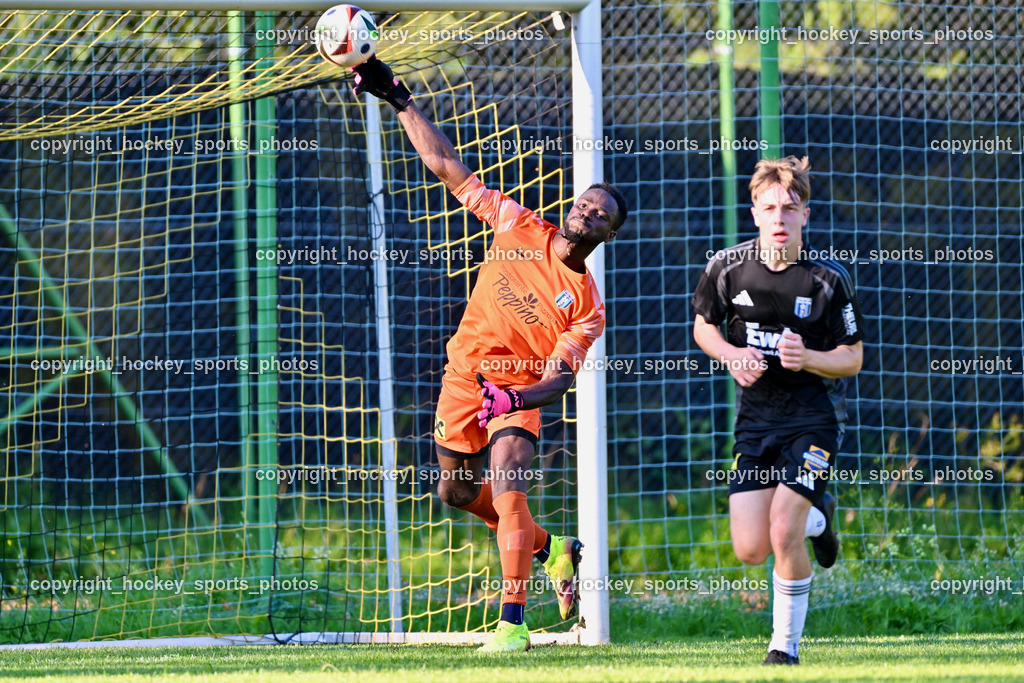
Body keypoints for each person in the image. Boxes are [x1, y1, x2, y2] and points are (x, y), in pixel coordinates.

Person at [352, 56, 628, 653]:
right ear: (573, 205)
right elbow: (447, 168)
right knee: (453, 493)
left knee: (508, 485)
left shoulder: (587, 306)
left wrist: (514, 399)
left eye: (601, 216)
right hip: (463, 377)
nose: (587, 213)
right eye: (585, 204)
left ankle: (512, 624)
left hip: (516, 396)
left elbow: (559, 380)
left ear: (609, 235)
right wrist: (399, 99)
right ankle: (553, 549)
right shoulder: (516, 224)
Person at [691, 156, 864, 665]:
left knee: (783, 528)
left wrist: (808, 357)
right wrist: (731, 355)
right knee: (750, 548)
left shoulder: (828, 279)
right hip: (756, 422)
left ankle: (783, 648)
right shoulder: (726, 268)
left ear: (805, 214)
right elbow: (704, 327)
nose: (780, 217)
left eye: (790, 208)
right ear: (754, 213)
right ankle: (819, 518)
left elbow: (853, 357)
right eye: (769, 208)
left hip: (815, 420)